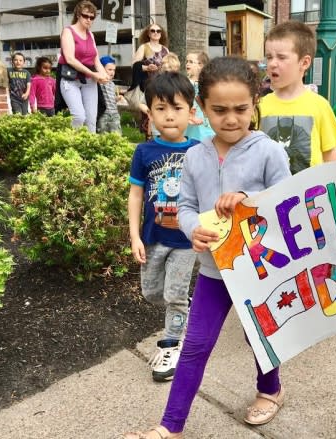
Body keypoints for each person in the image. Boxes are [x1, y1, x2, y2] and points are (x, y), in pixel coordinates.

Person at [123, 56, 291, 439]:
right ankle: (171, 426)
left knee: (259, 335)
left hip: (258, 268)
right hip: (215, 270)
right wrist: (192, 227)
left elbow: (287, 201)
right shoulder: (195, 155)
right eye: (219, 110)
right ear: (202, 107)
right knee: (196, 345)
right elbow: (184, 205)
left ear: (255, 104)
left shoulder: (269, 152)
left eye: (241, 109)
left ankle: (271, 389)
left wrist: (248, 199)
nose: (231, 119)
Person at [127, 72, 199, 384]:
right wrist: (133, 236)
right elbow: (135, 194)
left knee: (173, 294)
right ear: (150, 112)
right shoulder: (144, 152)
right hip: (153, 236)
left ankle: (171, 346)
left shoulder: (200, 151)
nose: (169, 115)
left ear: (191, 113)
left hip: (185, 241)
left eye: (177, 108)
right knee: (153, 292)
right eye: (160, 108)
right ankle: (184, 304)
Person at [259, 20, 336, 174]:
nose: (272, 64)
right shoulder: (259, 105)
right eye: (269, 57)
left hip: (310, 194)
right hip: (270, 194)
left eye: (281, 57)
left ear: (304, 62)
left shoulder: (320, 105)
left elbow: (330, 156)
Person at [57, 0, 109, 132]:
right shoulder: (68, 31)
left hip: (89, 81)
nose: (89, 20)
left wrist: (104, 75)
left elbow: (95, 59)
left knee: (91, 120)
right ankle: (74, 145)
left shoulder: (90, 34)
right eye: (86, 16)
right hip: (70, 79)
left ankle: (89, 149)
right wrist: (94, 74)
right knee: (79, 116)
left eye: (92, 17)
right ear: (78, 15)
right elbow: (70, 59)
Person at [133, 23, 170, 139]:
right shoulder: (144, 47)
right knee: (149, 115)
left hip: (163, 86)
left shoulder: (165, 50)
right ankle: (149, 139)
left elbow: (170, 65)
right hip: (148, 86)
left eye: (158, 31)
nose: (155, 33)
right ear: (148, 33)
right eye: (153, 31)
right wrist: (146, 68)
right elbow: (134, 65)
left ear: (161, 33)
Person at [184, 51, 215, 142]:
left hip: (204, 120)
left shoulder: (208, 84)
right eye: (186, 61)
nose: (187, 64)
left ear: (201, 65)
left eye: (191, 62)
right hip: (190, 120)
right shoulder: (185, 82)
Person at [96, 55, 122, 134]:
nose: (112, 72)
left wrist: (116, 99)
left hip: (114, 113)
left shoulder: (112, 84)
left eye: (114, 70)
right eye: (109, 69)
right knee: (103, 134)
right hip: (104, 114)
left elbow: (112, 98)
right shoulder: (98, 82)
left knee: (117, 134)